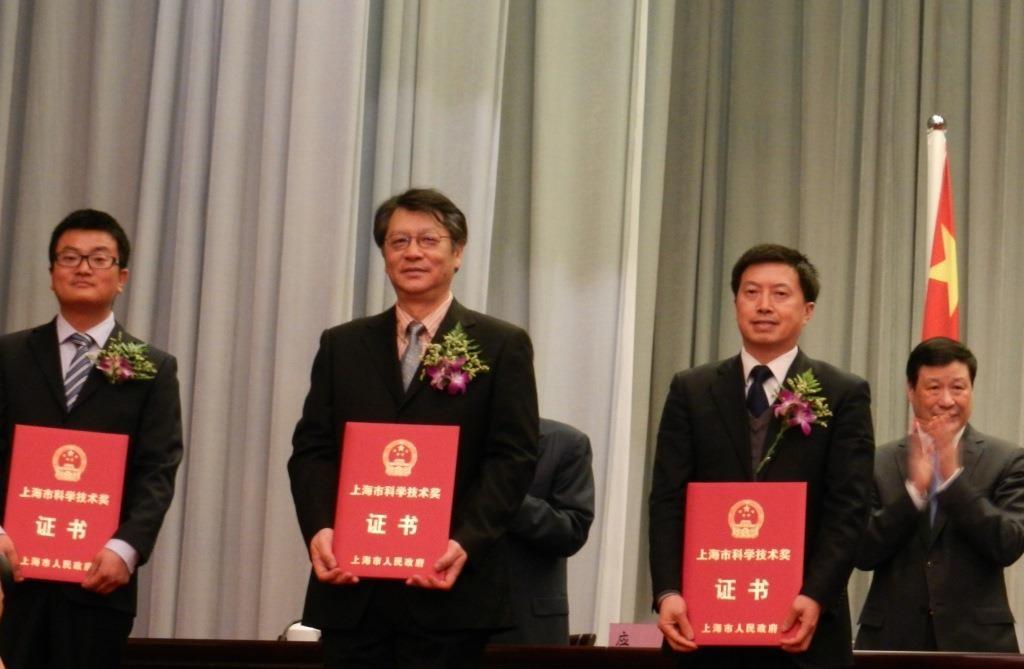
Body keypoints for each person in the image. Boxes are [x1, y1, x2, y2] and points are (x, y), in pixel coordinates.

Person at [288, 188, 539, 668]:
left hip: (450, 589)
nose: (413, 252)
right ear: (385, 256)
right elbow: (313, 450)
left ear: (457, 253)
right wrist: (320, 528)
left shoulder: (501, 344)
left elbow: (513, 458)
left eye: (429, 240)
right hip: (353, 589)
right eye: (399, 241)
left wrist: (465, 541)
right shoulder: (343, 345)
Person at [648, 243, 874, 668]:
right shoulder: (691, 389)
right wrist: (668, 591)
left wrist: (816, 594)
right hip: (704, 623)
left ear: (807, 310)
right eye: (751, 292)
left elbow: (849, 507)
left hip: (804, 624)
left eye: (780, 293)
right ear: (735, 303)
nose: (764, 305)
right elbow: (667, 499)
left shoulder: (842, 392)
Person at [0, 209, 184, 669]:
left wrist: (126, 549)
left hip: (98, 582)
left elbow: (157, 470)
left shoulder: (151, 367)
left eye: (99, 258)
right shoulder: (8, 355)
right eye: (70, 257)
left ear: (121, 278)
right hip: (9, 577)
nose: (83, 268)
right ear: (51, 274)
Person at [855, 337, 1024, 652]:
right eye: (934, 388)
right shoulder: (877, 462)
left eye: (958, 388)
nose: (947, 400)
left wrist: (952, 481)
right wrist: (913, 493)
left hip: (978, 643)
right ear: (911, 391)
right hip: (893, 641)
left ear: (971, 390)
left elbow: (1008, 544)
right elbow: (861, 552)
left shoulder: (1008, 459)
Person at [489, 418, 595, 645]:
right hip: (440, 618)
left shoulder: (567, 443)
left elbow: (573, 531)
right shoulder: (442, 438)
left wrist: (505, 498)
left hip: (525, 624)